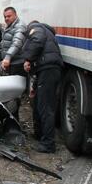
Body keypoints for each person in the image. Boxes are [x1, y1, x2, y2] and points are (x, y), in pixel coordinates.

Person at [22, 21, 63, 153]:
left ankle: (48, 144)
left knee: (46, 108)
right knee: (40, 104)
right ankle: (40, 135)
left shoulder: (36, 28)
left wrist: (27, 59)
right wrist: (34, 86)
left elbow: (38, 40)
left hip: (48, 70)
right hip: (47, 71)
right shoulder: (46, 31)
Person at [0, 7, 26, 76]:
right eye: (5, 17)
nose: (6, 18)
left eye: (9, 16)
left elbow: (17, 43)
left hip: (17, 63)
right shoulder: (10, 26)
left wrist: (8, 57)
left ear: (15, 15)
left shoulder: (20, 26)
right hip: (11, 62)